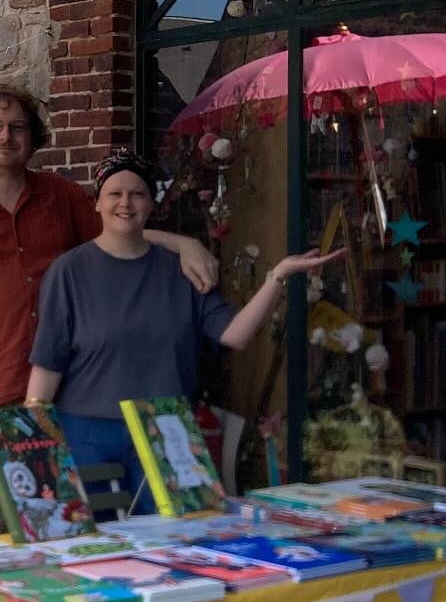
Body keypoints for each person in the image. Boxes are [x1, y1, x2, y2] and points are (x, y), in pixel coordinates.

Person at [0, 89, 218, 532]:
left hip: (61, 403)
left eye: (17, 127)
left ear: (34, 138)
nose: (5, 136)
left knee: (63, 543)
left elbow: (120, 233)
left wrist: (182, 243)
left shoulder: (62, 199)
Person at [25, 149, 337, 505]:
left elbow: (234, 334)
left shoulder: (183, 269)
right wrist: (34, 447)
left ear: (151, 203)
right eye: (114, 193)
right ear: (97, 203)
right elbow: (48, 364)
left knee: (178, 539)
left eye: (137, 193)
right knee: (92, 548)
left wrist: (277, 278)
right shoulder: (69, 272)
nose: (125, 203)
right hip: (88, 433)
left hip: (167, 430)